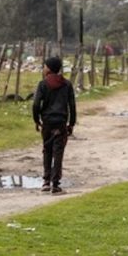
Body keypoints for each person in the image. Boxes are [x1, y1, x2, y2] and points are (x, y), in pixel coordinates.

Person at [32, 56, 76, 194]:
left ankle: (46, 182)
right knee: (58, 152)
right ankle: (55, 184)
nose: (43, 68)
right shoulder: (67, 84)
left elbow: (36, 104)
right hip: (61, 123)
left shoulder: (43, 84)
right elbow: (72, 106)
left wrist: (37, 119)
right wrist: (71, 123)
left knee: (47, 150)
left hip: (47, 122)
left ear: (49, 69)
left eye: (45, 66)